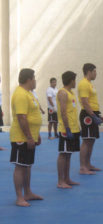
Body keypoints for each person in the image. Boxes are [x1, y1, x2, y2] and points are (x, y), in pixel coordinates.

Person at [10, 68, 43, 207]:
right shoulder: (20, 95)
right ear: (29, 79)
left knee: (27, 166)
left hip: (30, 136)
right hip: (21, 137)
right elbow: (22, 118)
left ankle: (28, 192)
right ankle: (19, 197)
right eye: (34, 78)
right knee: (20, 167)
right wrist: (29, 137)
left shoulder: (29, 94)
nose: (35, 80)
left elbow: (32, 116)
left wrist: (36, 134)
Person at [78, 63, 103, 175]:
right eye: (94, 71)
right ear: (89, 72)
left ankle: (88, 164)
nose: (96, 73)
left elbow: (92, 102)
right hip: (87, 115)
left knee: (92, 140)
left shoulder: (89, 84)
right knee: (86, 140)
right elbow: (85, 102)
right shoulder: (84, 84)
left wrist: (98, 115)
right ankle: (82, 167)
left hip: (92, 113)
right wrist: (93, 116)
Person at [56, 71, 80, 188]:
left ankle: (67, 178)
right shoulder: (63, 93)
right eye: (75, 80)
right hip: (66, 129)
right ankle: (60, 181)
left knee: (69, 154)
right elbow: (63, 112)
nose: (75, 82)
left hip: (74, 128)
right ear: (71, 80)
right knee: (63, 154)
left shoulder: (71, 93)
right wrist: (67, 128)